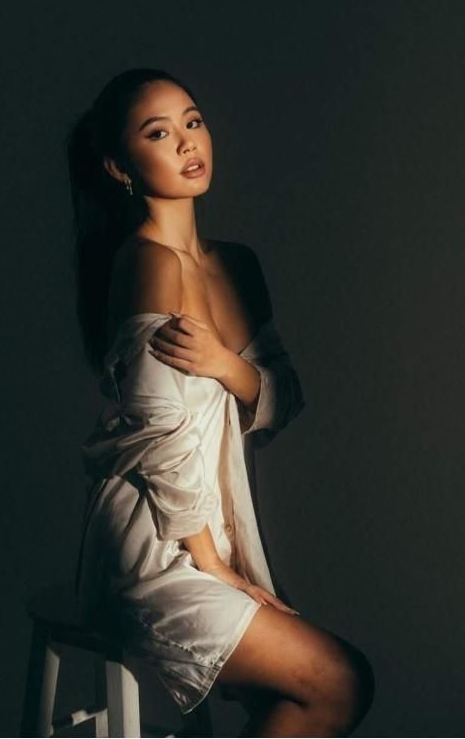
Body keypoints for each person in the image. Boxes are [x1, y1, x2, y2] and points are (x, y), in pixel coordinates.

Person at [67, 67, 375, 736]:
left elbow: (283, 398)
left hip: (221, 532)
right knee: (338, 681)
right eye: (158, 133)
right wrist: (212, 565)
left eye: (193, 121)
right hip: (153, 547)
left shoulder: (237, 264)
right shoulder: (147, 263)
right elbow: (156, 436)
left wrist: (225, 365)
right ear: (119, 168)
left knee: (310, 691)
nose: (187, 142)